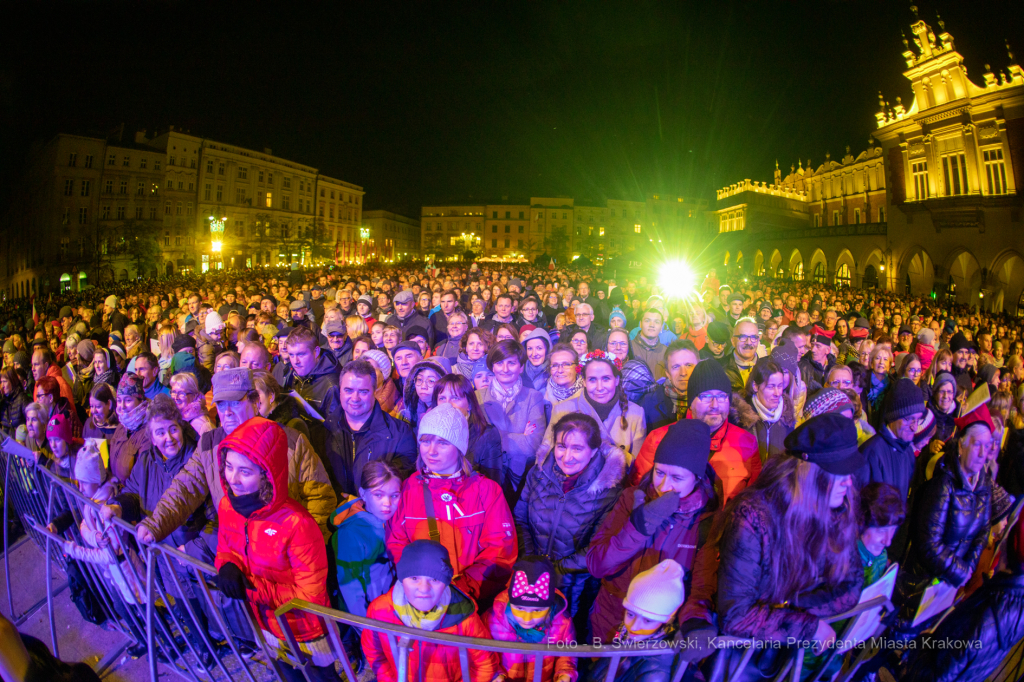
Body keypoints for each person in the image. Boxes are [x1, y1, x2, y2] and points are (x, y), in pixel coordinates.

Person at [714, 414, 864, 672]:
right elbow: (735, 614)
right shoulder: (754, 518)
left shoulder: (838, 509)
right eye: (840, 473)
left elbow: (851, 583)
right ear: (811, 473)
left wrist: (798, 613)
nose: (849, 482)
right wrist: (808, 626)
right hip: (742, 658)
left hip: (787, 655)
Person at [137, 368, 337, 543]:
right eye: (222, 404)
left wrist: (303, 548)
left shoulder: (291, 441)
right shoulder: (209, 443)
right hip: (237, 553)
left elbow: (320, 497)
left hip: (284, 553)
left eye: (235, 402)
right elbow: (186, 487)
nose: (227, 412)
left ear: (255, 402)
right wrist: (157, 524)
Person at [213, 417, 339, 682]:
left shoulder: (296, 523)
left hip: (306, 631)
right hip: (266, 623)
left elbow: (311, 597)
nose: (232, 479)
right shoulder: (228, 506)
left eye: (245, 471)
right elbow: (226, 547)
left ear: (266, 474)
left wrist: (250, 587)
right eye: (228, 466)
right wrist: (225, 565)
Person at [587, 419, 718, 642]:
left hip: (660, 633)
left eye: (677, 477)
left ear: (696, 478)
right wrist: (638, 527)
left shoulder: (706, 519)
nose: (664, 486)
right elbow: (596, 564)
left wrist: (696, 622)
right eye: (659, 472)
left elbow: (702, 587)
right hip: (611, 621)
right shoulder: (632, 499)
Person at [387, 405, 517, 609]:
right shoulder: (408, 489)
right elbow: (396, 542)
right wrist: (420, 588)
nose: (431, 451)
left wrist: (461, 591)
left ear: (459, 447)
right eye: (425, 441)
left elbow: (499, 551)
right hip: (421, 601)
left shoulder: (487, 491)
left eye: (442, 442)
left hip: (471, 603)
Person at [515, 414, 624, 637]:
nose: (566, 456)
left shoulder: (608, 490)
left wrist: (556, 571)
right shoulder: (538, 473)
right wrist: (532, 562)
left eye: (577, 448)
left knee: (563, 646)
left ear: (594, 451)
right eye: (561, 446)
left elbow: (598, 546)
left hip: (576, 588)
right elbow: (521, 518)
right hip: (532, 577)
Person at [891, 403, 994, 638]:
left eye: (987, 447)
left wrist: (967, 568)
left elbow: (983, 530)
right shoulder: (943, 482)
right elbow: (928, 542)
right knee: (899, 635)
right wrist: (959, 571)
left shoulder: (983, 483)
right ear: (961, 445)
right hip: (922, 581)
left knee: (924, 639)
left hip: (947, 583)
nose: (982, 453)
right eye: (977, 444)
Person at [897, 512, 1024, 682]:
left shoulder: (985, 614)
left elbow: (937, 677)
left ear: (1009, 551)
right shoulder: (1014, 604)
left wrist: (922, 643)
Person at [363, 540, 499, 682]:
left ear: (446, 582)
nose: (423, 589)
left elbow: (485, 664)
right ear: (402, 579)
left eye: (434, 579)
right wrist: (389, 679)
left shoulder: (463, 616)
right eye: (414, 578)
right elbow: (373, 651)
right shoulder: (380, 610)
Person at [632, 358, 760, 503]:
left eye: (721, 396)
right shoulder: (658, 439)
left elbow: (754, 501)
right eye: (706, 396)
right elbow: (637, 494)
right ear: (690, 402)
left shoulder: (747, 442)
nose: (714, 405)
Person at [324, 360, 417, 496]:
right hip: (335, 513)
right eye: (348, 390)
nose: (355, 398)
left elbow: (398, 485)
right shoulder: (324, 430)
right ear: (340, 390)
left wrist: (362, 503)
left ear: (375, 391)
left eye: (363, 391)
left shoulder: (400, 434)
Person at [538, 351, 646, 463]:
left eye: (606, 379)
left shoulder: (635, 414)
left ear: (617, 380)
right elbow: (544, 458)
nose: (599, 387)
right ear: (584, 381)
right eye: (592, 380)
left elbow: (638, 469)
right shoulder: (563, 410)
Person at [588, 561, 685, 682]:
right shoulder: (624, 635)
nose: (633, 627)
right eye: (630, 614)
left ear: (665, 622)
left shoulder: (655, 672)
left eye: (648, 620)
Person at [484, 556, 577, 682]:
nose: (527, 619)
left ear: (549, 607)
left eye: (537, 611)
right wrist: (496, 675)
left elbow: (567, 655)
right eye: (520, 608)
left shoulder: (562, 622)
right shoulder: (491, 620)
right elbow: (484, 655)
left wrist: (565, 674)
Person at [477, 340, 548, 504]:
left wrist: (493, 437)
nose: (505, 369)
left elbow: (533, 445)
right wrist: (520, 436)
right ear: (492, 367)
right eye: (499, 363)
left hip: (521, 481)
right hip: (483, 477)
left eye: (511, 363)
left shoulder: (534, 397)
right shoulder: (477, 397)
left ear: (521, 367)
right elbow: (475, 444)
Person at [329, 461, 400, 618]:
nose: (387, 503)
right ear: (363, 493)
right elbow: (351, 590)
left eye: (394, 495)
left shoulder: (393, 521)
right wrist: (368, 629)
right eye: (378, 495)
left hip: (390, 610)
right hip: (369, 618)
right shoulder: (351, 533)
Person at [432, 373, 503, 484]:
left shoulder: (487, 435)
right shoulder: (429, 432)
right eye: (442, 398)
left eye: (455, 398)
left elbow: (491, 484)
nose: (447, 405)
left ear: (469, 404)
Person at [735, 357, 796, 463]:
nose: (777, 393)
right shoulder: (740, 419)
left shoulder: (788, 419)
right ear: (755, 386)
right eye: (771, 387)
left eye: (780, 386)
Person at [640, 339, 699, 432]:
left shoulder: (712, 401)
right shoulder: (648, 403)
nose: (683, 373)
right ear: (667, 373)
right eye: (676, 367)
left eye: (688, 365)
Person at [108, 373, 150, 484]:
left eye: (128, 400)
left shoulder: (147, 432)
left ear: (140, 401)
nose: (122, 406)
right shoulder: (122, 425)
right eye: (119, 400)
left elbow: (142, 478)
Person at [630, 308, 667, 378]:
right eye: (647, 321)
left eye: (657, 322)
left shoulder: (666, 352)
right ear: (640, 324)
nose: (652, 325)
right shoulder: (629, 348)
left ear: (661, 327)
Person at [0, 366, 29, 433]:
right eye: (1, 382)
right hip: (5, 441)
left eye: (4, 381)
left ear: (12, 381)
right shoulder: (3, 400)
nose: (2, 386)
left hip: (19, 441)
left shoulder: (22, 398)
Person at [522, 327, 551, 392]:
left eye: (539, 348)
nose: (534, 354)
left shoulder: (554, 372)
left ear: (547, 349)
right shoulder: (520, 371)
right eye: (530, 349)